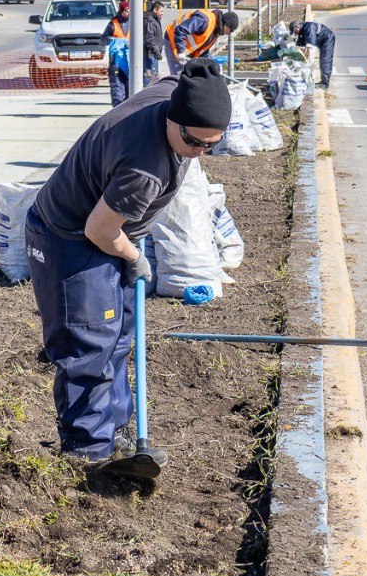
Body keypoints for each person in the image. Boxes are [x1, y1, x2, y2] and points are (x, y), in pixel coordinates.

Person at [25, 59, 232, 476]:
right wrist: (135, 257)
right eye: (194, 143)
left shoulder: (173, 92)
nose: (200, 152)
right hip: (70, 237)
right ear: (173, 120)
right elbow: (100, 230)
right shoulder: (144, 168)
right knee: (89, 346)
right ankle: (88, 453)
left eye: (212, 145)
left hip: (108, 232)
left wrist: (129, 248)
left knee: (119, 334)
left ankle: (116, 429)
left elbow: (183, 72)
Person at [165, 9, 240, 76]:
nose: (230, 33)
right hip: (173, 40)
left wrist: (213, 65)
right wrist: (180, 51)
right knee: (179, 76)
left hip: (183, 48)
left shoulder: (215, 31)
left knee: (188, 75)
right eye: (231, 30)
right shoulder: (204, 19)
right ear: (226, 24)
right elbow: (181, 30)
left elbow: (203, 51)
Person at [290, 19, 336, 89]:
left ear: (297, 27)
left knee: (325, 60)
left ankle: (324, 84)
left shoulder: (309, 28)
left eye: (294, 32)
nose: (295, 34)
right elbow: (299, 48)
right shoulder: (301, 32)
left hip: (327, 38)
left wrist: (308, 66)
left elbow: (311, 49)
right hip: (320, 39)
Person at [103, 0, 132, 106]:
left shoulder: (134, 22)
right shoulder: (113, 23)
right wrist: (116, 42)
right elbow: (103, 39)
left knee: (131, 89)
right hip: (116, 62)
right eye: (126, 11)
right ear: (121, 11)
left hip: (130, 62)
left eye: (130, 11)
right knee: (117, 89)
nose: (128, 13)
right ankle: (117, 110)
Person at [142, 1, 165, 86]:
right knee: (150, 76)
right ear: (155, 10)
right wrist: (156, 52)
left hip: (152, 53)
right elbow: (149, 38)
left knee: (152, 76)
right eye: (161, 11)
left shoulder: (154, 19)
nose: (162, 13)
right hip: (150, 54)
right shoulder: (150, 20)